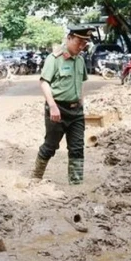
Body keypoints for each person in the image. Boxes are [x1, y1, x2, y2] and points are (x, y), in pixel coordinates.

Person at [31, 25, 94, 185]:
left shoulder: (80, 60)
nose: (81, 46)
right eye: (78, 42)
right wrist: (52, 106)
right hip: (57, 109)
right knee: (50, 146)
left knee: (77, 148)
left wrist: (81, 102)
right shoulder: (55, 58)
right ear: (69, 38)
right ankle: (36, 177)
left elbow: (80, 84)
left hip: (76, 111)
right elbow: (44, 82)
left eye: (84, 44)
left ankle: (76, 183)